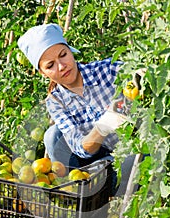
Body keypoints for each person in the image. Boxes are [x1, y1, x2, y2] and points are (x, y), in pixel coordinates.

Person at [18, 23, 136, 195]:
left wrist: (137, 80)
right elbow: (81, 149)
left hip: (127, 151)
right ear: (43, 73)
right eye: (50, 65)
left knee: (131, 162)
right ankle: (80, 195)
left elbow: (138, 73)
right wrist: (105, 124)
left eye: (63, 55)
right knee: (52, 136)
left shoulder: (107, 71)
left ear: (70, 50)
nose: (61, 66)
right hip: (94, 160)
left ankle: (115, 193)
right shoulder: (55, 102)